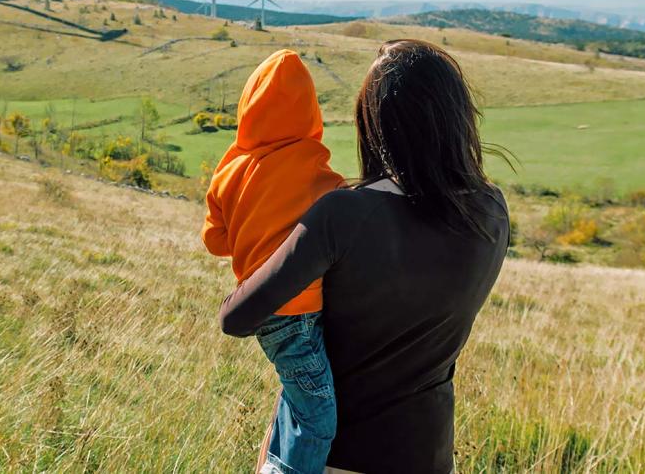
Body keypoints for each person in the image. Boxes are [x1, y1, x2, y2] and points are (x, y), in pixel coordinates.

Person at [220, 39, 511, 474]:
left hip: (332, 458)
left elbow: (237, 318)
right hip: (430, 454)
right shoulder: (492, 211)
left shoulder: (344, 215)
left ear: (374, 125)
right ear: (457, 119)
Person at [202, 49, 346, 474]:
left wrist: (250, 236)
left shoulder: (230, 171)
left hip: (266, 311)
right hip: (299, 314)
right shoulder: (319, 172)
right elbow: (342, 219)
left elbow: (214, 240)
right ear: (310, 112)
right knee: (317, 421)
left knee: (298, 397)